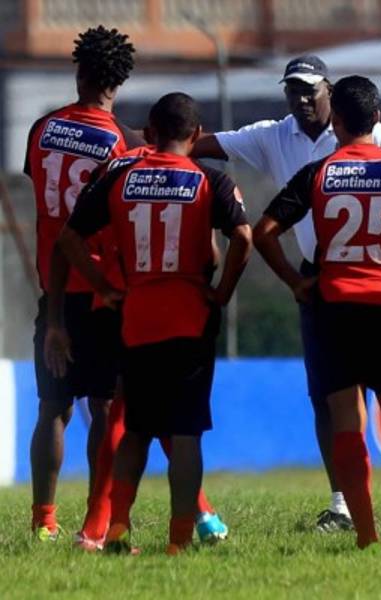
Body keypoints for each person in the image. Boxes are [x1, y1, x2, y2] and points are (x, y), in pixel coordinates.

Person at [192, 55, 381, 531]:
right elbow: (195, 142)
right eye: (293, 90)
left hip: (372, 274)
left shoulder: (361, 142)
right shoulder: (273, 134)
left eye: (310, 89)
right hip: (325, 278)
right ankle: (346, 505)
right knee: (333, 402)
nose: (302, 98)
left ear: (330, 93)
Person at [255, 76, 381, 557]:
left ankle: (365, 536)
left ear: (336, 122)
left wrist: (296, 282)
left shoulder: (318, 173)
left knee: (346, 422)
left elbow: (264, 231)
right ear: (378, 118)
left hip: (333, 310)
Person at [55, 92, 252, 554]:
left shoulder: (122, 178)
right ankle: (179, 541)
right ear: (197, 136)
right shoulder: (210, 181)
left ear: (152, 132)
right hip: (190, 317)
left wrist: (104, 286)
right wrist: (221, 291)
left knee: (135, 426)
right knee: (184, 433)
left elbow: (69, 239)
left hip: (136, 316)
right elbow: (242, 237)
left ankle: (117, 529)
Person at [23, 25, 139, 541]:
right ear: (119, 81)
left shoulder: (42, 128)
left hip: (55, 285)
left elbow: (42, 192)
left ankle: (43, 520)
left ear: (79, 71)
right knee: (105, 405)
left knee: (53, 406)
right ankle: (99, 516)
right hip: (101, 288)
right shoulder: (120, 143)